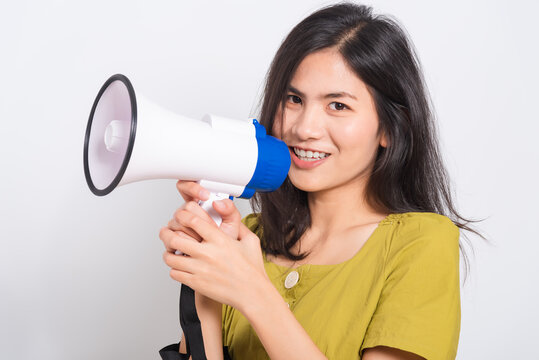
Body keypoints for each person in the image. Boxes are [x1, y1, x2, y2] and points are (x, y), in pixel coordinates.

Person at [159, 3, 480, 359]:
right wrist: (204, 279)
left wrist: (252, 292)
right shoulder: (248, 238)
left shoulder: (421, 242)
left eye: (337, 105)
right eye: (294, 99)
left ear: (390, 127)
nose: (303, 129)